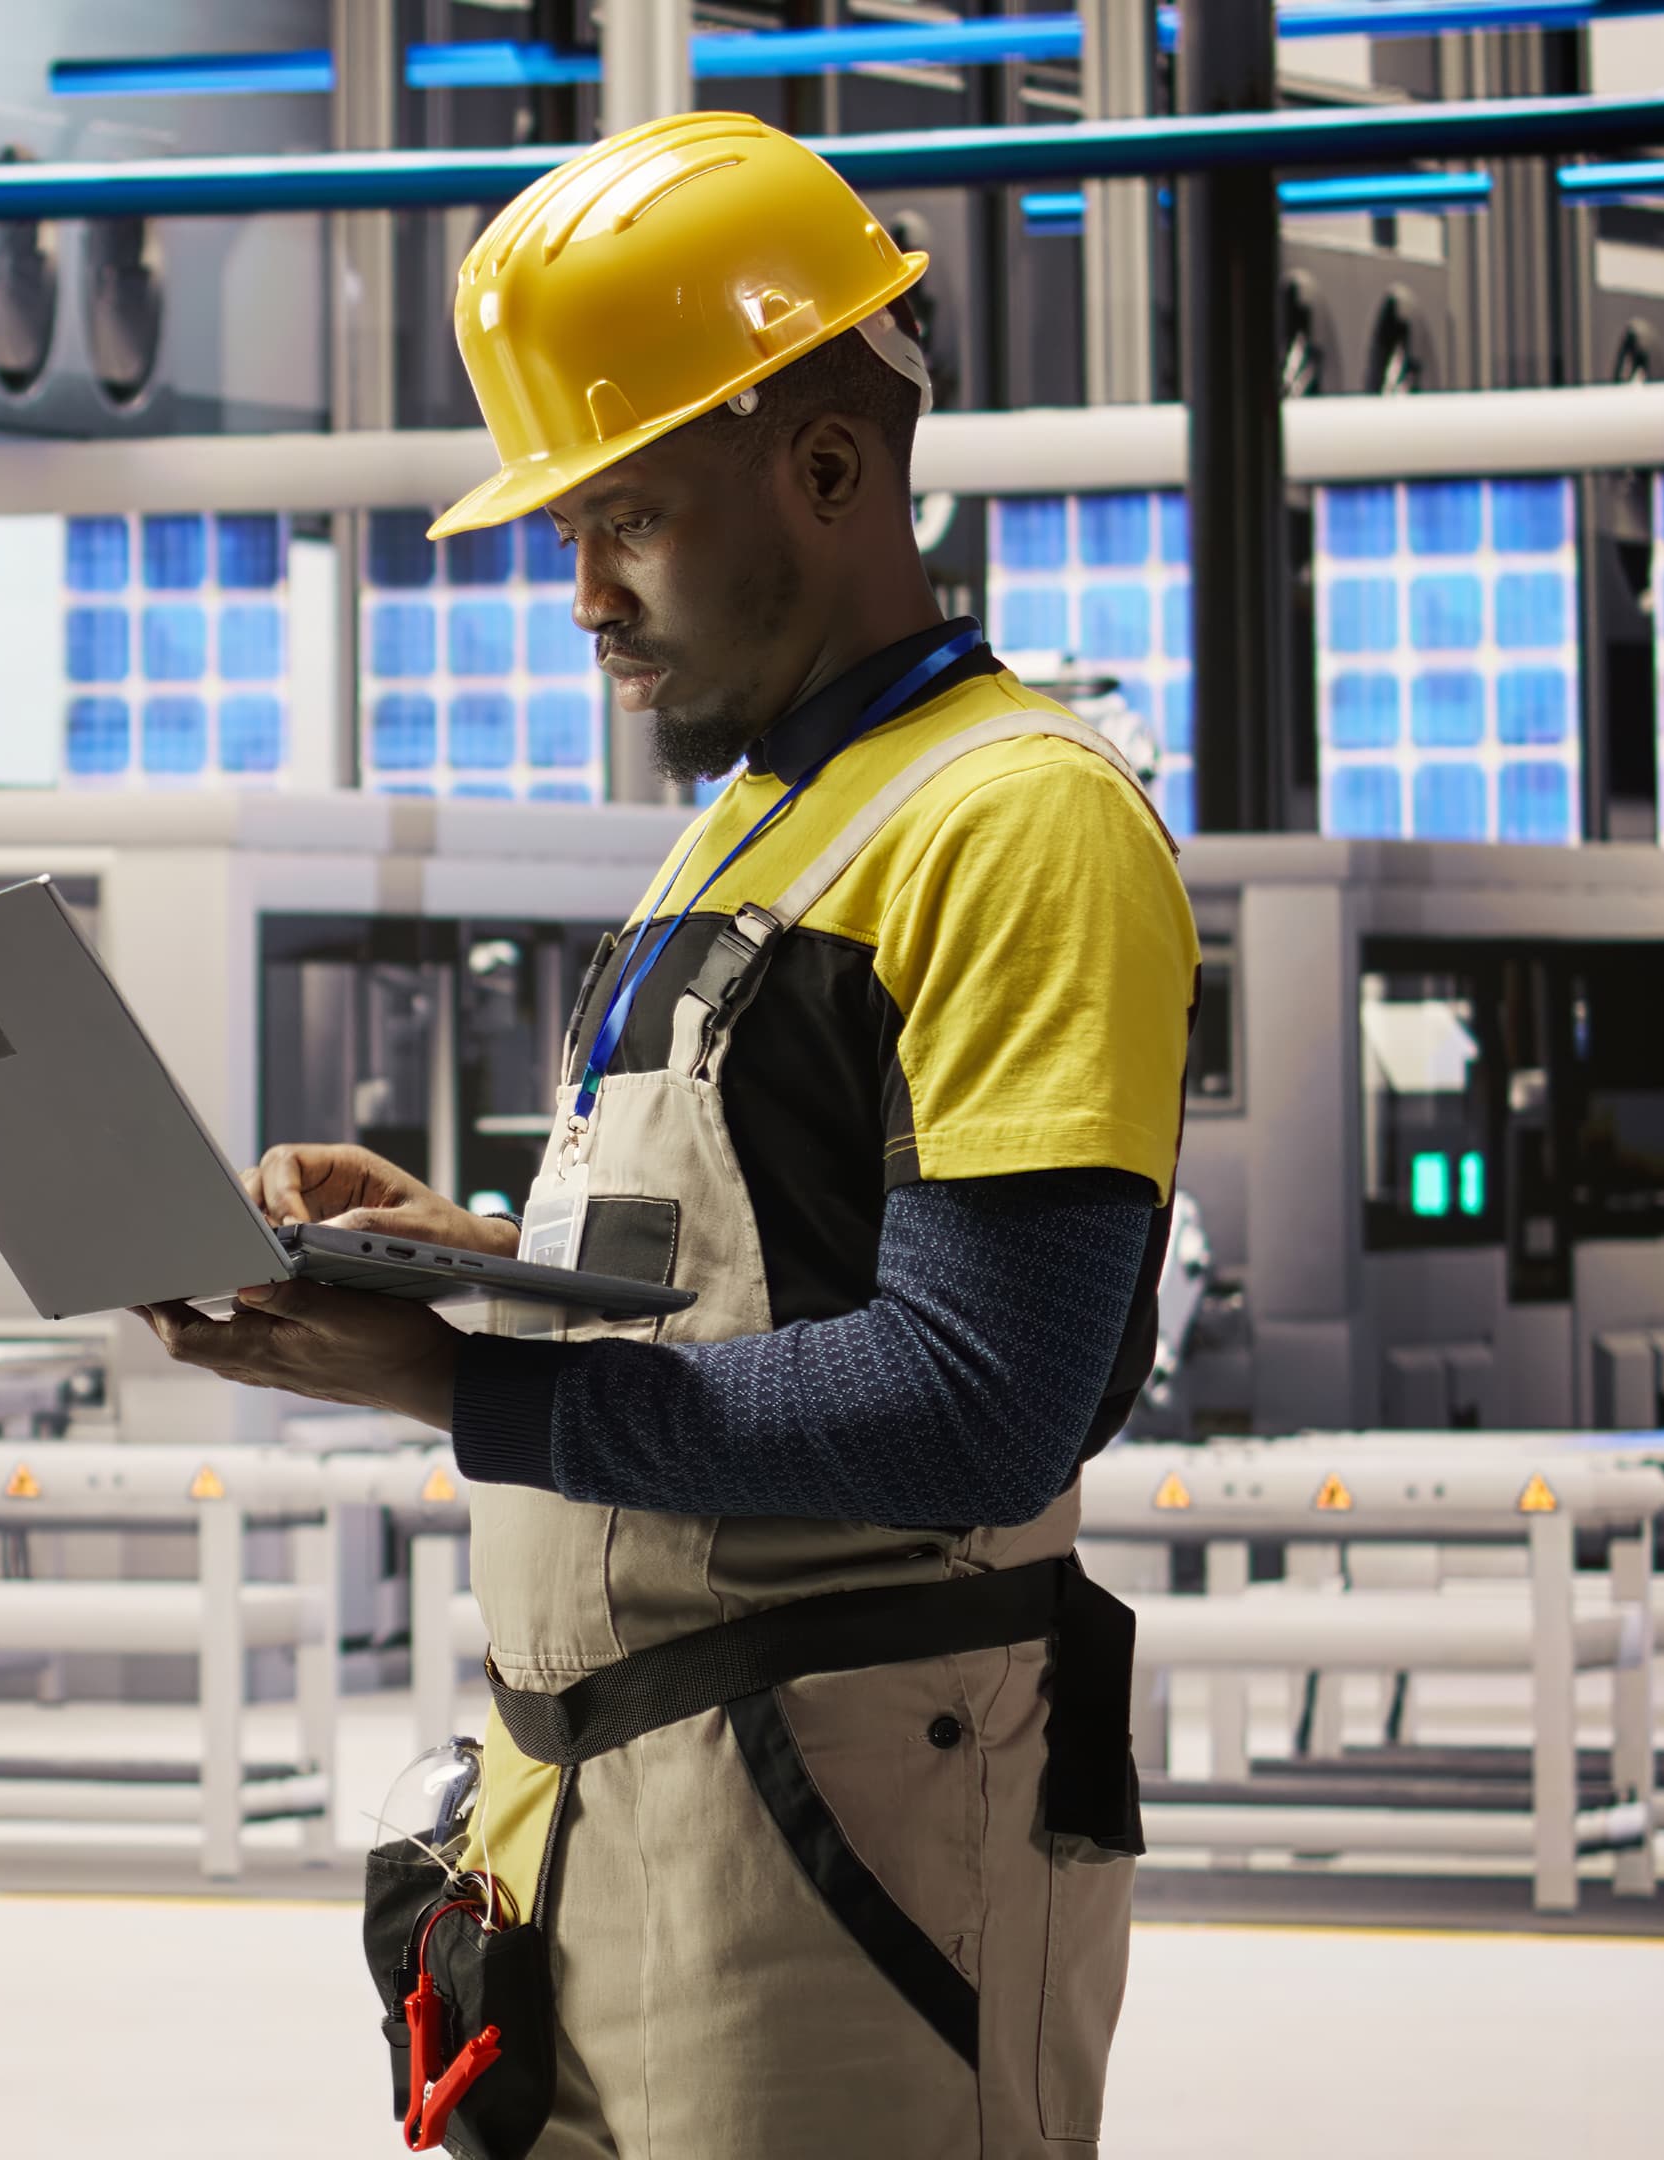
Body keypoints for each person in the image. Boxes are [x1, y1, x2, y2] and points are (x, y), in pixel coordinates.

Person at [144, 114, 1195, 2158]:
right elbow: (746, 1284)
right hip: (594, 1811)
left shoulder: (1019, 821)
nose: (582, 597)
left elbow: (983, 1402)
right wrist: (450, 1262)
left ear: (828, 469)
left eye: (623, 517)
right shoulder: (745, 821)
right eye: (565, 532)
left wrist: (472, 1391)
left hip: (846, 1830)